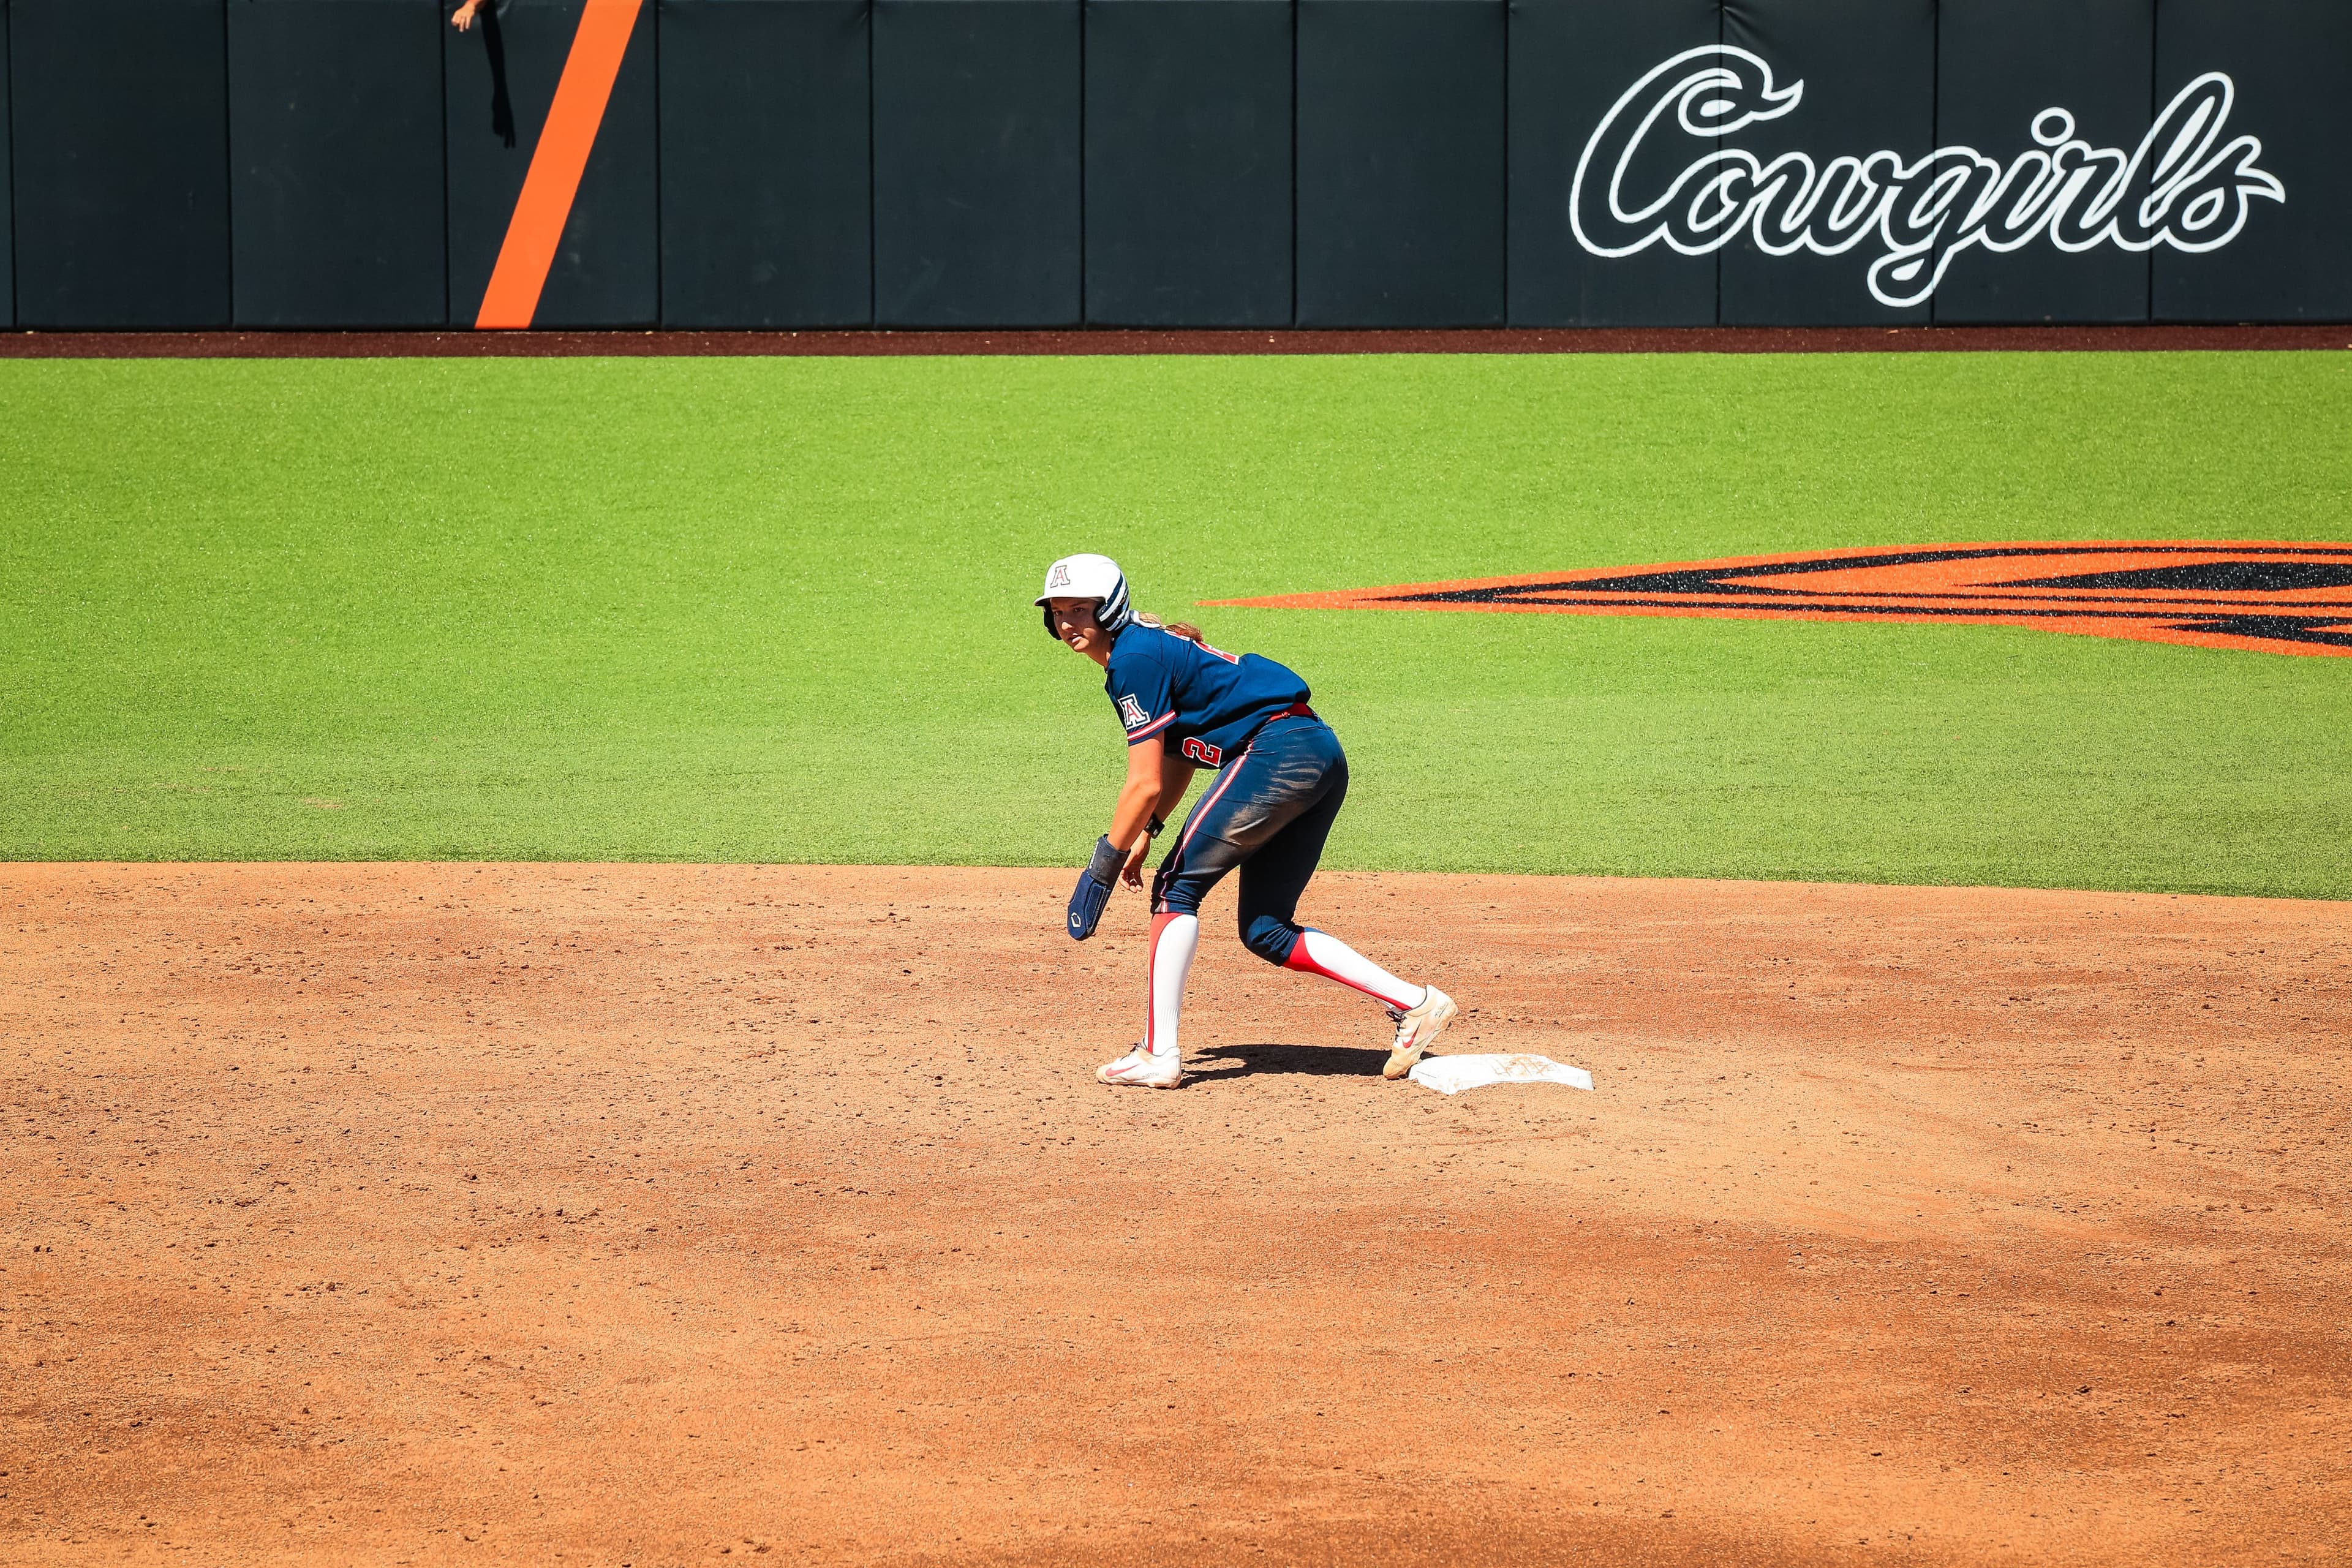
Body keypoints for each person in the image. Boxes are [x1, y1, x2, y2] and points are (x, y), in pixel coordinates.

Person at [1038, 553, 1457, 1089]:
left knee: (1174, 889)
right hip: (1316, 751)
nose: (1070, 622)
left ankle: (1157, 1054)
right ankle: (1418, 1004)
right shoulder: (1145, 648)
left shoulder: (1132, 661)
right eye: (1058, 612)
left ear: (1111, 607)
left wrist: (1101, 866)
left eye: (1082, 609)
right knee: (1267, 930)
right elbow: (1180, 756)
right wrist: (1150, 828)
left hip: (1275, 752)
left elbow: (1142, 782)